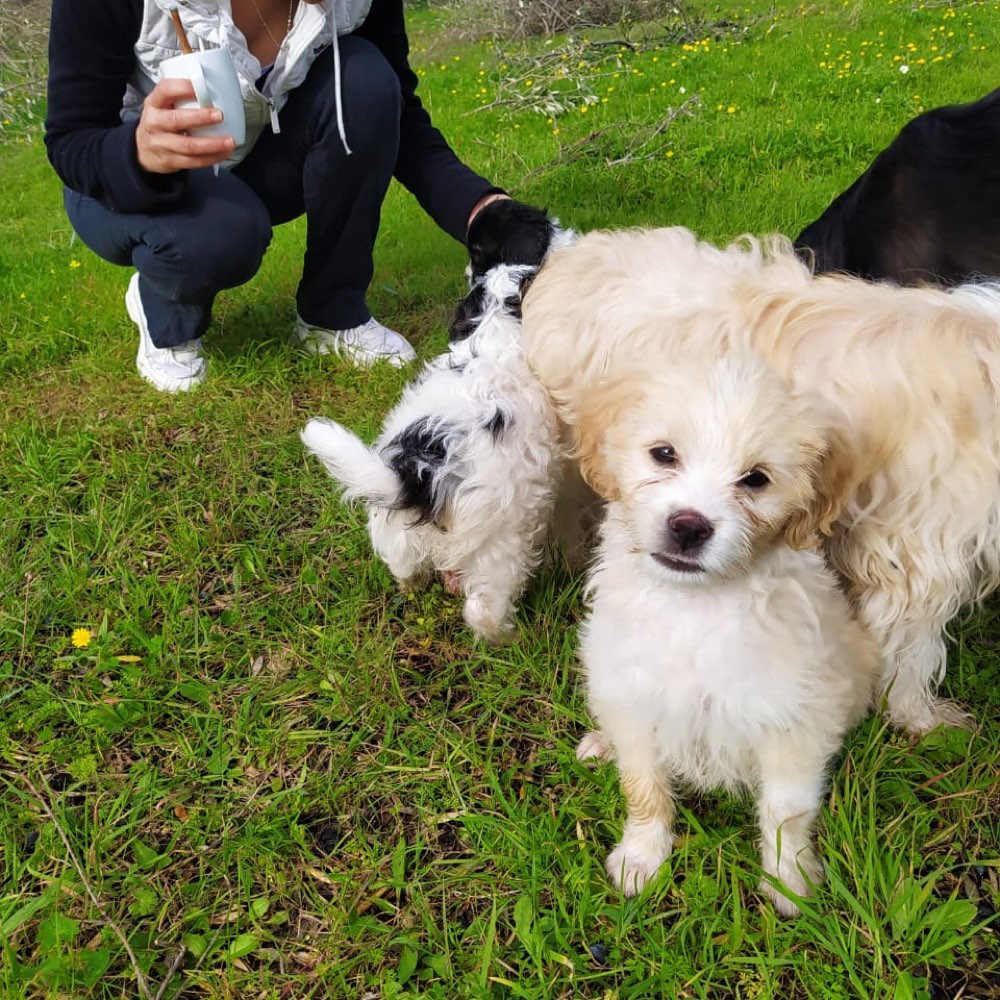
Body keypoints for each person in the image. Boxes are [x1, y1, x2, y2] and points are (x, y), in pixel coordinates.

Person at [45, 0, 509, 391]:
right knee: (220, 235)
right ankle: (163, 311)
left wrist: (484, 213)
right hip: (123, 181)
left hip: (254, 157)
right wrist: (138, 151)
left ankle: (333, 314)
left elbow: (399, 118)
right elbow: (71, 139)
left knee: (365, 77)